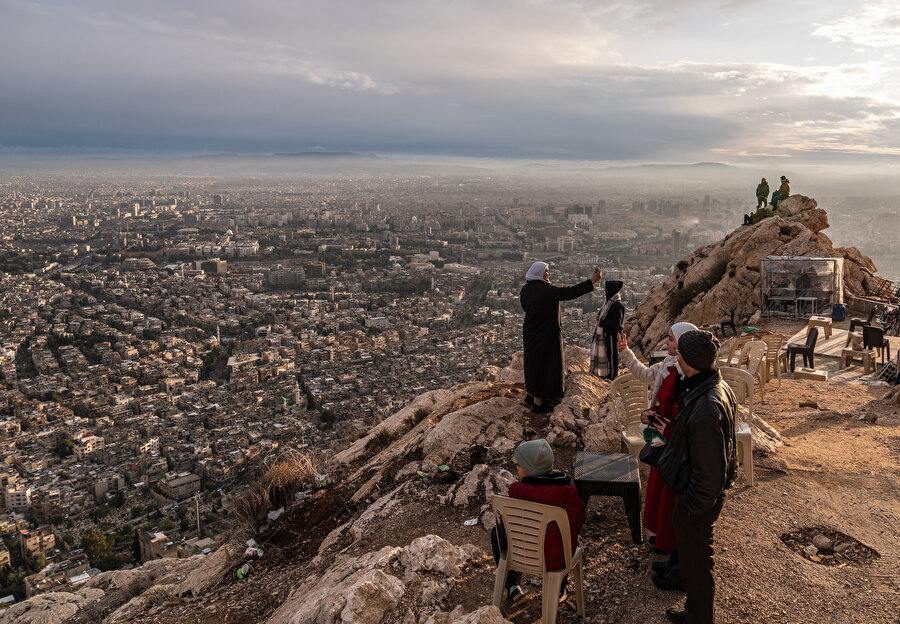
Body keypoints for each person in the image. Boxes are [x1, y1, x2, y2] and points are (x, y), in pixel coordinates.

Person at [657, 330, 737, 624]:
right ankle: (696, 612)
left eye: (679, 353)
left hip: (698, 503)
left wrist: (690, 507)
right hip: (698, 497)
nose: (675, 356)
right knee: (694, 561)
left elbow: (709, 473)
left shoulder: (706, 409)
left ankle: (699, 618)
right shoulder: (715, 385)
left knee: (698, 563)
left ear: (689, 360)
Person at [618, 322, 697, 589]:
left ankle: (670, 547)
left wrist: (658, 422)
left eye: (671, 339)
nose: (666, 343)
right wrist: (626, 352)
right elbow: (643, 374)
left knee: (669, 496)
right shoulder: (668, 364)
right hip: (660, 437)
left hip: (671, 441)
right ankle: (663, 541)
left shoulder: (685, 374)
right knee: (659, 492)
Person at [490, 439, 586, 604]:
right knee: (567, 538)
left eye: (519, 465)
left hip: (521, 554)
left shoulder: (516, 491)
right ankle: (558, 589)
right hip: (556, 560)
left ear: (529, 469)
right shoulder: (568, 491)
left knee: (496, 531)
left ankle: (512, 586)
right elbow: (580, 518)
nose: (517, 467)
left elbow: (508, 523)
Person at [521, 262, 603, 412]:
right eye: (546, 271)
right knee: (545, 364)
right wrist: (592, 281)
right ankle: (539, 404)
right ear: (539, 273)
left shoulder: (525, 289)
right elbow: (569, 292)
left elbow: (525, 307)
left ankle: (531, 395)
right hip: (547, 334)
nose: (549, 274)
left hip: (530, 332)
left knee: (533, 363)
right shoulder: (547, 290)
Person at [591, 280, 625, 380]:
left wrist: (602, 323)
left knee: (613, 354)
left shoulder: (617, 306)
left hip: (614, 335)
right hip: (608, 333)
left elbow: (616, 323)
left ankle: (614, 375)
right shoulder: (609, 303)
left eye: (606, 289)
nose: (604, 291)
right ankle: (610, 372)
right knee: (609, 353)